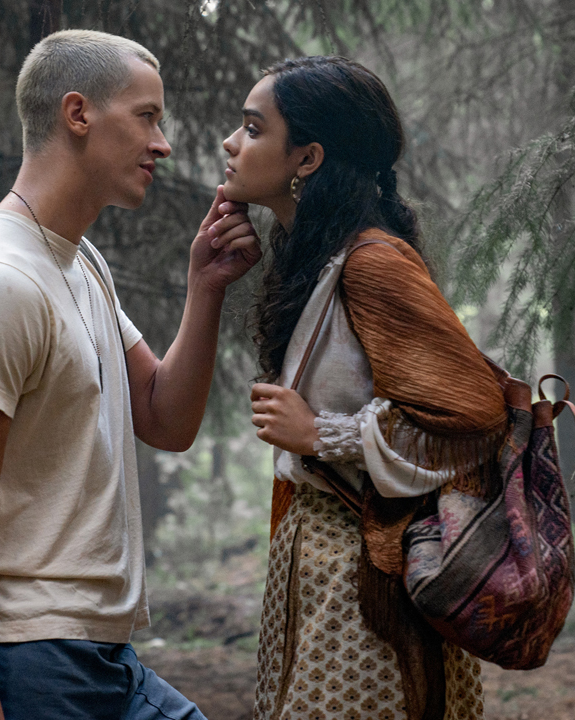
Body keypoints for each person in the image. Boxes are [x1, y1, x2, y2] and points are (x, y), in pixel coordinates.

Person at [0, 30, 262, 720]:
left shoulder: (76, 260)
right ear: (78, 114)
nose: (163, 144)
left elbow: (163, 416)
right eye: (147, 117)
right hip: (21, 661)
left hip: (98, 659)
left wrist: (206, 284)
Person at [223, 56, 507, 720]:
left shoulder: (373, 262)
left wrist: (321, 433)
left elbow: (474, 416)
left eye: (253, 129)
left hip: (371, 591)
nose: (230, 144)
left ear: (308, 157)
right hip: (318, 576)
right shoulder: (315, 260)